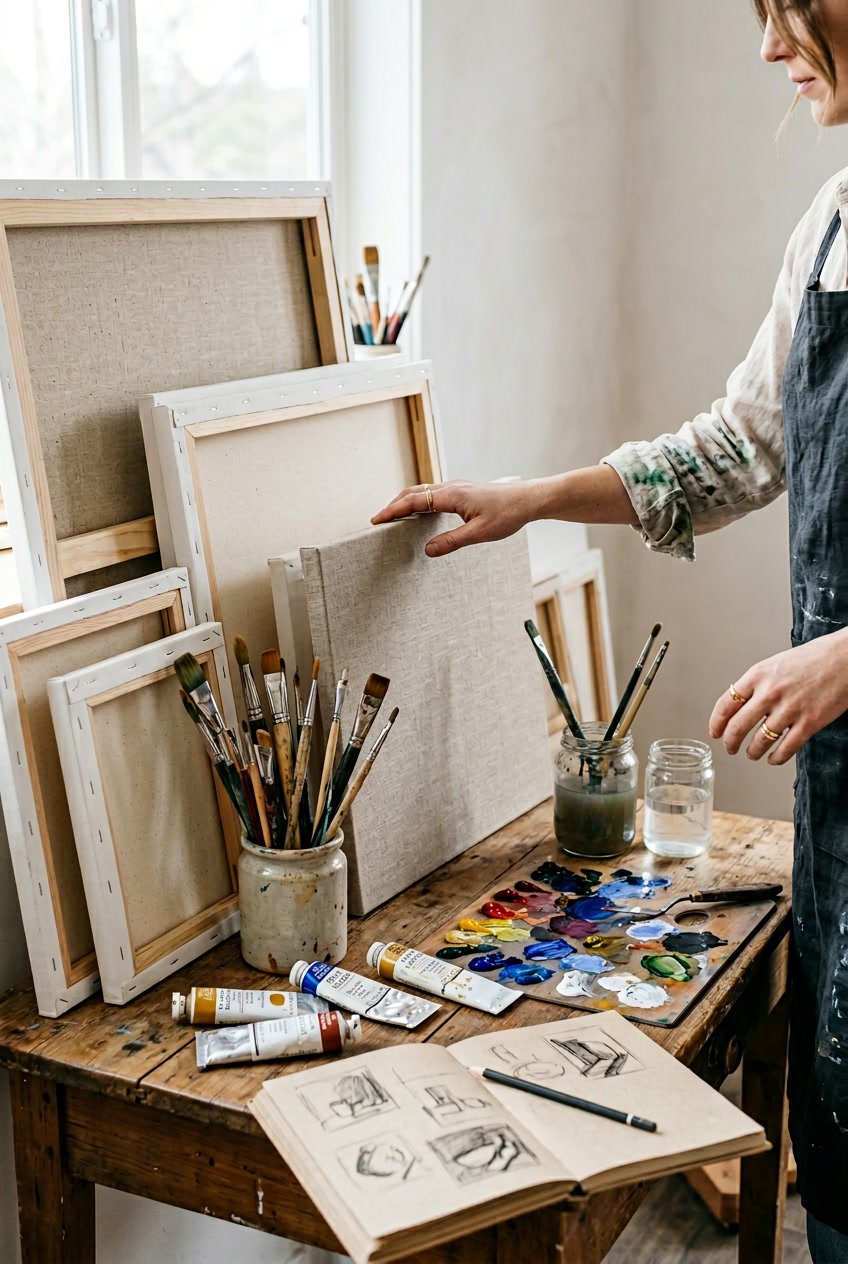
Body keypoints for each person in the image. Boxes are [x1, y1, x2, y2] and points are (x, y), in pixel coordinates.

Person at [372, 4, 848, 1259]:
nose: (765, 48)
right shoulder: (830, 224)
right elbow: (734, 447)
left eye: (784, 8)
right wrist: (529, 497)